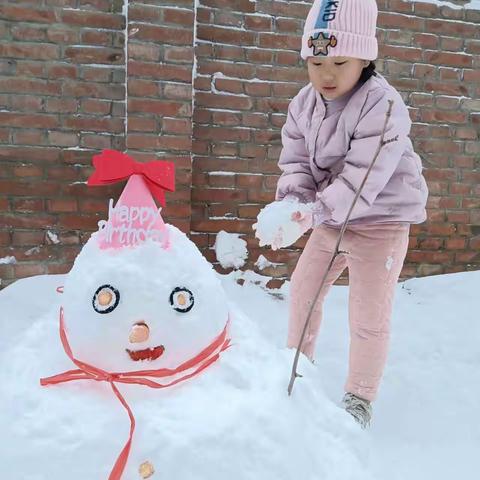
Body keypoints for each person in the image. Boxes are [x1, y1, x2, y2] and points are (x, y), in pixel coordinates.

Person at [252, 0, 429, 428]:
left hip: (380, 222)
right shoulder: (303, 103)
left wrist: (312, 214)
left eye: (339, 62)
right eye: (315, 62)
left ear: (366, 57)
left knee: (367, 314)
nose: (325, 75)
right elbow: (294, 161)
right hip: (329, 218)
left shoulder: (382, 105)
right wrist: (294, 206)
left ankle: (360, 398)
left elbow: (363, 177)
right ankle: (297, 371)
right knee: (303, 291)